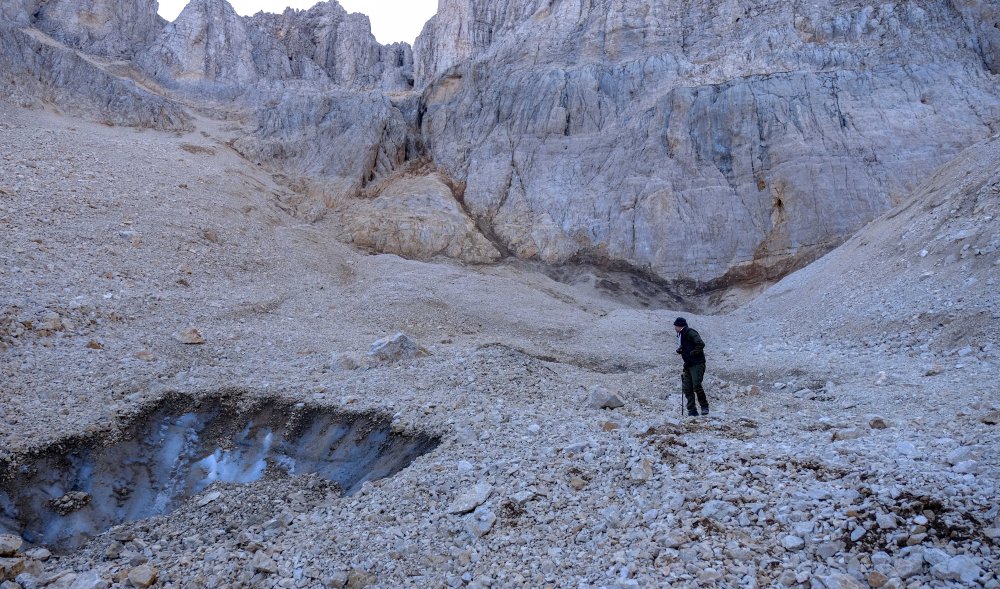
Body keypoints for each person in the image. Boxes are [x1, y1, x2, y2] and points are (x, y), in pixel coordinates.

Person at [674, 317, 708, 416]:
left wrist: (692, 353)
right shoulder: (681, 335)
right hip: (688, 364)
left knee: (696, 385)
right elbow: (688, 346)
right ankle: (692, 410)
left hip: (697, 363)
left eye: (675, 325)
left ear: (679, 325)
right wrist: (682, 350)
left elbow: (700, 343)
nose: (674, 327)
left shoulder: (689, 332)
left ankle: (704, 406)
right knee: (687, 387)